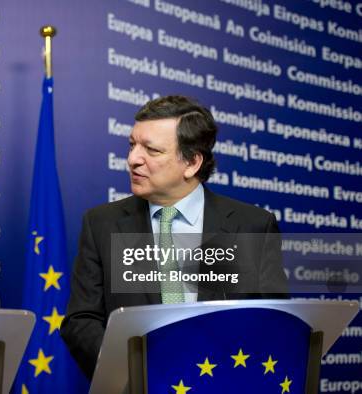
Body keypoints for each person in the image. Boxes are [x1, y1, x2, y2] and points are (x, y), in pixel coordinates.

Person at [60, 95, 288, 379]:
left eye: (151, 150)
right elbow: (82, 320)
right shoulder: (102, 224)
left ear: (191, 162)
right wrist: (135, 371)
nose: (133, 160)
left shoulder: (252, 226)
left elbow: (272, 324)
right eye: (132, 145)